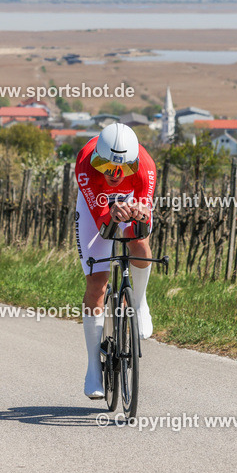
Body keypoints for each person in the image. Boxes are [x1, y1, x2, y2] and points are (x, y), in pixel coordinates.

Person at [74, 122, 156, 399]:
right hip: (95, 207)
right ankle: (93, 369)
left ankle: (140, 302)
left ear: (133, 164)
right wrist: (111, 213)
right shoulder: (86, 164)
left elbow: (145, 211)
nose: (113, 175)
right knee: (97, 283)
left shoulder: (145, 166)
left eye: (121, 170)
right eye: (106, 167)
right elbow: (101, 223)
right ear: (97, 157)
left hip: (130, 200)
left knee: (140, 243)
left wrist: (140, 212)